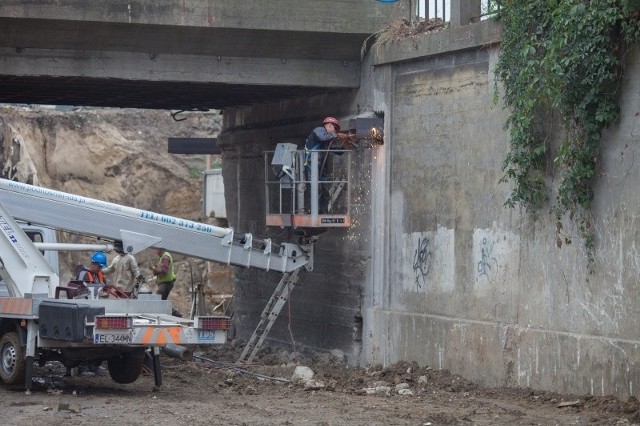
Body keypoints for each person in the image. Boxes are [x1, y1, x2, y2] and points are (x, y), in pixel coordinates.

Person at [304, 117, 353, 212]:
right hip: (311, 164)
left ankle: (322, 212)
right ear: (329, 125)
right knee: (315, 189)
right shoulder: (319, 130)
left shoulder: (326, 140)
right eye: (335, 129)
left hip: (319, 166)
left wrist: (344, 146)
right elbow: (322, 137)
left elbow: (335, 150)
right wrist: (337, 135)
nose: (334, 131)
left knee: (324, 192)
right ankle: (311, 211)